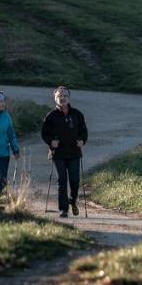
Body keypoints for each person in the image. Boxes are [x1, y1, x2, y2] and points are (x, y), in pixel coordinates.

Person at [41, 85, 88, 218]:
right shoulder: (51, 116)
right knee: (62, 180)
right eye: (59, 96)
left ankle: (72, 200)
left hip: (74, 152)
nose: (62, 98)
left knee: (74, 180)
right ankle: (63, 209)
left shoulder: (77, 114)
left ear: (69, 98)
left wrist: (82, 141)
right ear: (55, 99)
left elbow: (84, 131)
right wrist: (51, 142)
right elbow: (44, 133)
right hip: (58, 153)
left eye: (65, 96)